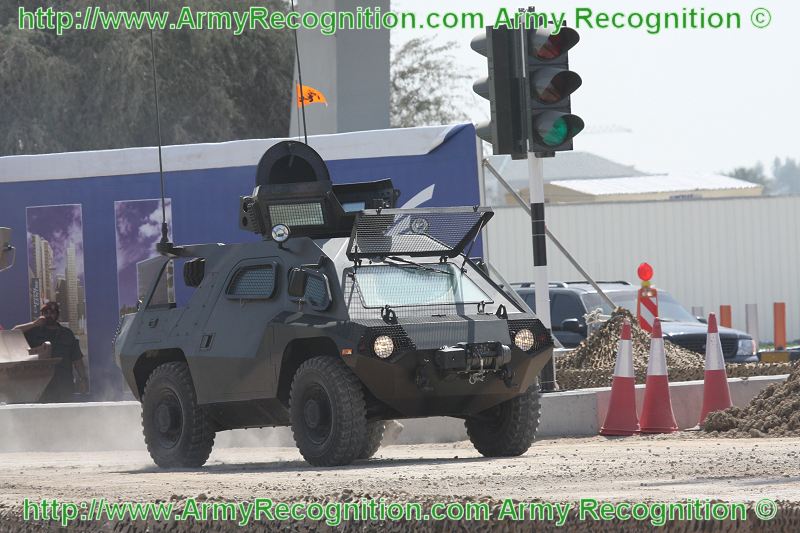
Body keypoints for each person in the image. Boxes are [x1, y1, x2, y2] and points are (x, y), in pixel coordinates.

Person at [13, 302, 88, 402]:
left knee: (67, 415)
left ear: (57, 314)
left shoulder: (67, 334)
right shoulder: (34, 332)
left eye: (52, 312)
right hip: (41, 386)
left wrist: (83, 379)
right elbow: (13, 332)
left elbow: (77, 359)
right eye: (45, 312)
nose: (48, 315)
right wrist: (34, 324)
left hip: (63, 384)